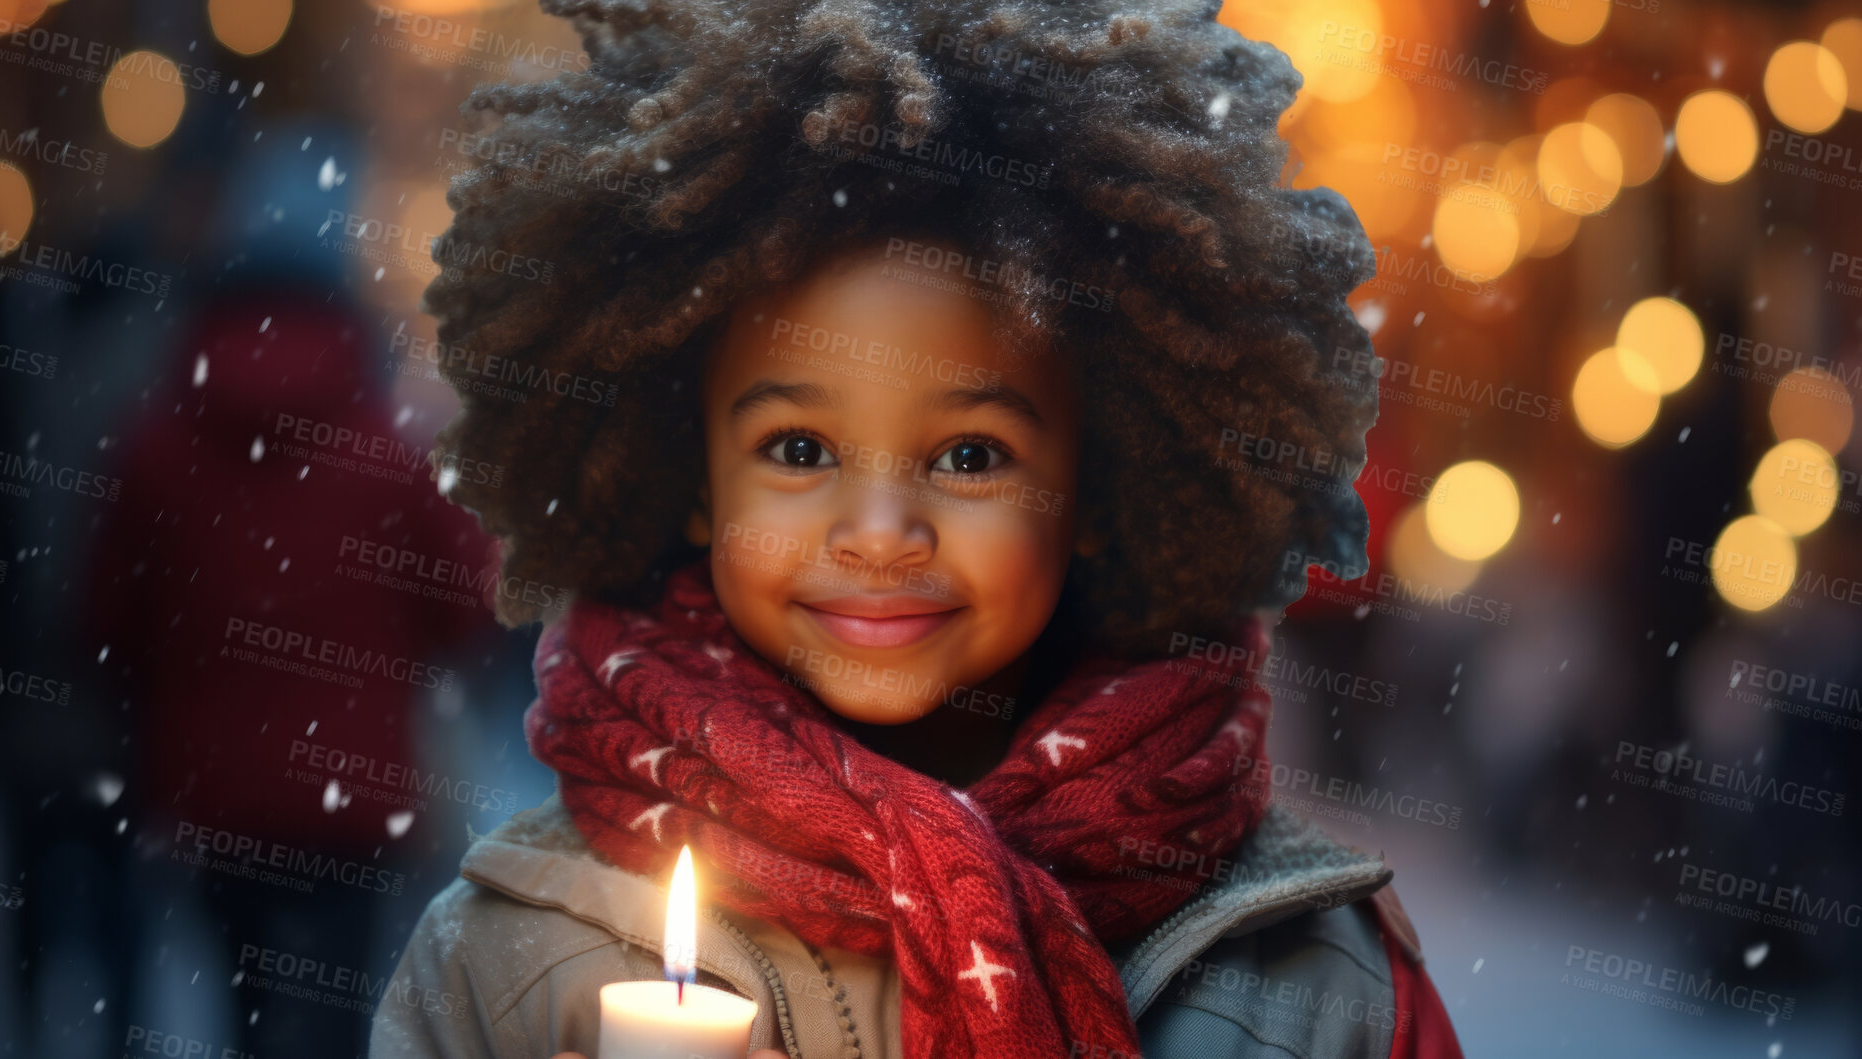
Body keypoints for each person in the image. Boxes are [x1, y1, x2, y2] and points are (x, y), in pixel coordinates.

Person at [372, 0, 1461, 1056]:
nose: (881, 532)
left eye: (969, 456)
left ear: (1093, 487)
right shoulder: (513, 964)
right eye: (798, 450)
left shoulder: (1319, 980)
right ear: (690, 475)